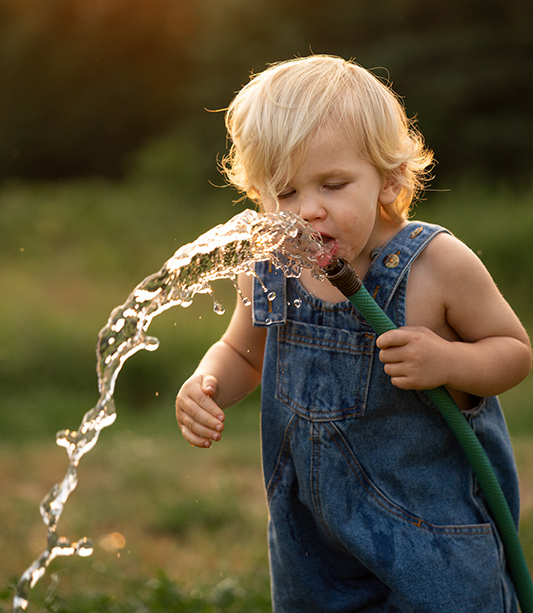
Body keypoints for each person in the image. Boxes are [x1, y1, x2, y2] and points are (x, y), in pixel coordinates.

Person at [176, 55, 531, 612]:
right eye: (285, 193)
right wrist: (207, 383)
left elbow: (512, 352)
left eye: (333, 184)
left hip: (432, 538)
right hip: (314, 544)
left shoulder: (435, 264)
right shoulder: (272, 267)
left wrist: (448, 361)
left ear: (388, 178)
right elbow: (242, 353)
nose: (308, 211)